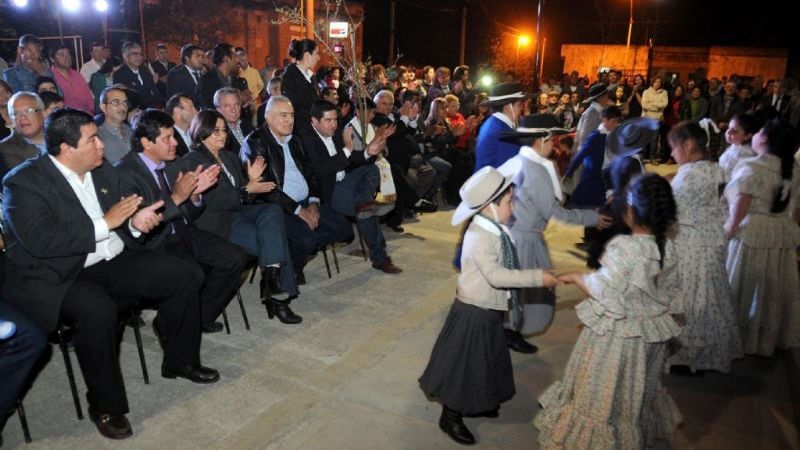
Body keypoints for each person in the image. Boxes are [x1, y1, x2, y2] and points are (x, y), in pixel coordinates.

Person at [2, 108, 218, 440]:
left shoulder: (102, 172)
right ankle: (107, 406)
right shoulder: (23, 182)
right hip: (61, 274)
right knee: (98, 310)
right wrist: (109, 223)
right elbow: (42, 242)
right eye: (93, 140)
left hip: (111, 260)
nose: (102, 146)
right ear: (66, 149)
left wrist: (135, 222)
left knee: (183, 272)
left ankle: (180, 360)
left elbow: (124, 220)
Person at [534, 173, 683, 449]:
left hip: (617, 337)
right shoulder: (670, 247)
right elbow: (671, 295)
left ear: (630, 211)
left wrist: (577, 277)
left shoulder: (623, 247)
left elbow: (605, 291)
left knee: (603, 388)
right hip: (649, 337)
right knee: (633, 391)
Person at [419, 162, 558, 445]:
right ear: (488, 207)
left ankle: (482, 400)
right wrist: (536, 278)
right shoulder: (480, 236)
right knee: (465, 365)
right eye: (509, 202)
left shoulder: (493, 228)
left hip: (489, 309)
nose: (513, 207)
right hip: (473, 312)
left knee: (488, 359)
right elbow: (496, 275)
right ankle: (451, 415)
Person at [115, 109, 248, 332]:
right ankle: (170, 324)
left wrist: (195, 195)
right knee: (191, 273)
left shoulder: (173, 163)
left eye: (174, 136)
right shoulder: (125, 173)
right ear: (147, 142)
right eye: (167, 138)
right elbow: (143, 226)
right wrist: (177, 197)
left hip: (185, 232)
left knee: (235, 258)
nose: (175, 143)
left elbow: (191, 213)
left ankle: (198, 316)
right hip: (155, 243)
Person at [500, 114, 609, 352]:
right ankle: (510, 332)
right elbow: (554, 212)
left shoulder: (519, 161)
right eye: (553, 140)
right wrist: (592, 217)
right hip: (526, 238)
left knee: (518, 288)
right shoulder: (535, 171)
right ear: (541, 140)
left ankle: (508, 330)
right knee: (527, 290)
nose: (556, 145)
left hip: (517, 234)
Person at [183, 110, 301, 315]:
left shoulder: (228, 157)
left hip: (238, 214)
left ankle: (271, 281)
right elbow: (214, 201)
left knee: (273, 211)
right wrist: (249, 188)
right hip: (218, 224)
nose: (222, 135)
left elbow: (244, 195)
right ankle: (279, 299)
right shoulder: (193, 161)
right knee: (276, 242)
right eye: (215, 131)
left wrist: (251, 183)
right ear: (201, 133)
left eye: (224, 130)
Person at [665, 120, 743, 373]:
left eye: (673, 147)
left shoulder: (689, 175)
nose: (671, 153)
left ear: (688, 145)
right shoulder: (713, 168)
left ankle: (689, 354)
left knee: (691, 299)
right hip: (711, 241)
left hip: (691, 245)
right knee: (711, 296)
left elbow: (672, 210)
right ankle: (710, 351)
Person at [723, 118, 800, 356]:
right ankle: (768, 337)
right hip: (781, 231)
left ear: (764, 138)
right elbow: (796, 211)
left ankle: (740, 336)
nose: (755, 134)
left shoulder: (752, 166)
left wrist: (728, 230)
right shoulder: (794, 169)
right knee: (774, 289)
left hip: (753, 231)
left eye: (759, 131)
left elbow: (740, 207)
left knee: (745, 285)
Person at [281, 39, 321, 135]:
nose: (319, 58)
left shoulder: (311, 77)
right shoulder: (290, 76)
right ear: (307, 55)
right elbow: (295, 107)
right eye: (316, 54)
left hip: (312, 129)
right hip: (300, 131)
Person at [718, 112, 760, 183]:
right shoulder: (733, 147)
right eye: (729, 128)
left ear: (747, 136)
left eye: (734, 130)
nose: (728, 132)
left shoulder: (745, 156)